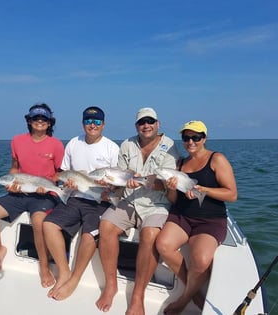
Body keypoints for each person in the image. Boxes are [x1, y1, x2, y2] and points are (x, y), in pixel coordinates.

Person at [95, 107, 180, 315]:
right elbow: (120, 178)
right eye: (142, 122)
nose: (146, 125)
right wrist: (110, 185)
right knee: (105, 224)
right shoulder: (126, 144)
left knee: (150, 233)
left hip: (157, 204)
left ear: (158, 124)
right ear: (136, 126)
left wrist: (145, 182)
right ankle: (111, 284)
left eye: (150, 121)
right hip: (130, 200)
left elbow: (170, 186)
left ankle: (138, 295)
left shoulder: (170, 147)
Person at [0, 103, 65, 288]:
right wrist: (12, 184)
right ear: (29, 121)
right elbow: (14, 167)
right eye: (36, 118)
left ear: (50, 123)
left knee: (39, 222)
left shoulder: (56, 145)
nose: (40, 121)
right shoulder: (17, 140)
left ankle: (43, 265)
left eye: (44, 119)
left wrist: (49, 185)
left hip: (44, 194)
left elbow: (60, 172)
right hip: (20, 193)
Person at [155, 120, 238, 315]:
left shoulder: (217, 159)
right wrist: (171, 188)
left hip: (210, 220)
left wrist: (204, 190)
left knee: (200, 259)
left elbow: (232, 194)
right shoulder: (180, 163)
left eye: (196, 137)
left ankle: (185, 299)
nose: (191, 141)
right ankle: (193, 289)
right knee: (163, 245)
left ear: (204, 138)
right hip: (182, 216)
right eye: (186, 137)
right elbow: (173, 199)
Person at [43, 106, 119, 300]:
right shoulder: (73, 144)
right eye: (88, 121)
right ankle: (64, 272)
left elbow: (118, 183)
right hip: (76, 197)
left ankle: (75, 279)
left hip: (101, 201)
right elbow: (64, 172)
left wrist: (108, 187)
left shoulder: (112, 148)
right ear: (82, 123)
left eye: (96, 122)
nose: (92, 125)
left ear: (103, 125)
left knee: (89, 236)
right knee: (48, 225)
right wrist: (66, 181)